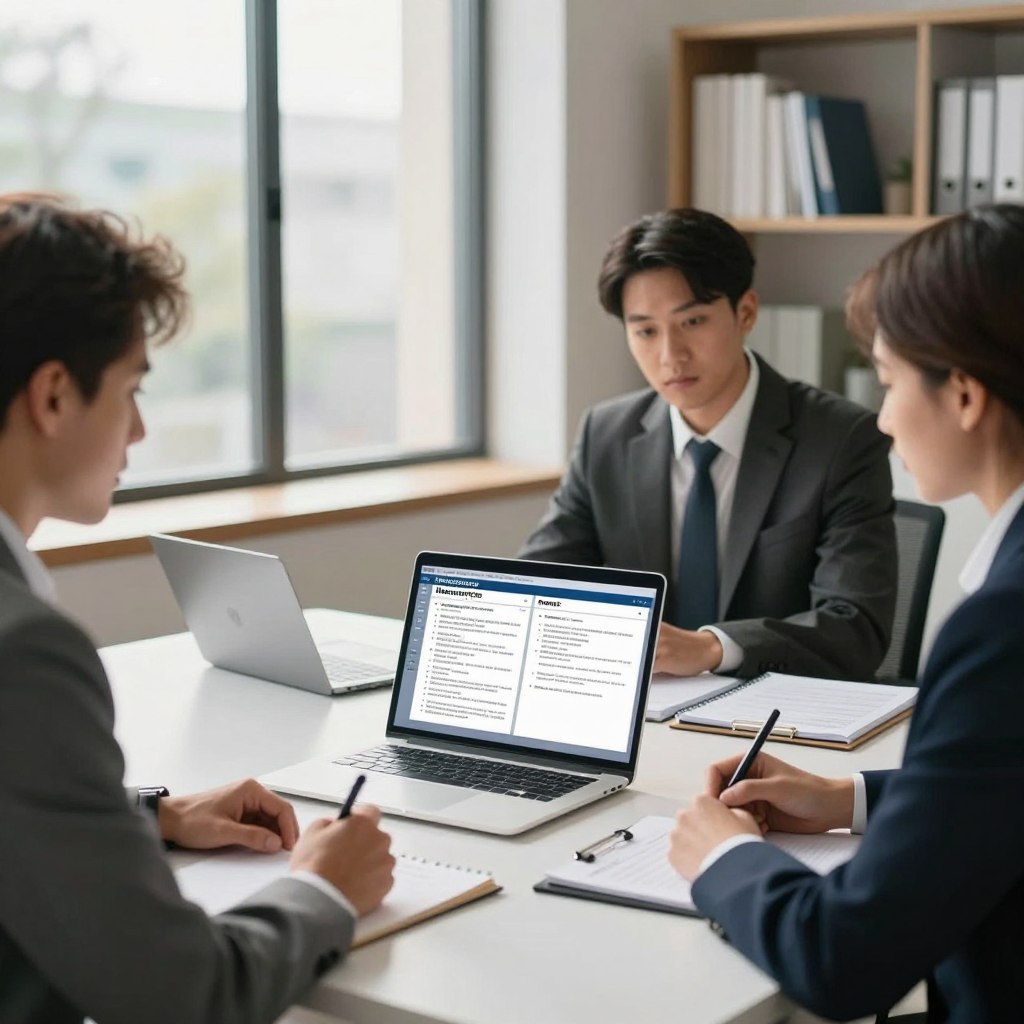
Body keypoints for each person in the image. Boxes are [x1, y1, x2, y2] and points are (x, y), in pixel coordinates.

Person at [0, 193, 395, 1024]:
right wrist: (323, 888)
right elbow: (181, 994)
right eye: (131, 390)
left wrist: (149, 818)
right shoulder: (24, 651)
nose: (138, 431)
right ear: (53, 395)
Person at [668, 205, 1024, 1022]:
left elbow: (842, 959)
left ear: (965, 394)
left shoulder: (1001, 628)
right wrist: (848, 798)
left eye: (892, 381)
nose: (886, 415)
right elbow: (1001, 777)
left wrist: (723, 860)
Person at [519, 208, 896, 681]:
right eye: (645, 331)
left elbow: (855, 627)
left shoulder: (840, 439)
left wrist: (713, 648)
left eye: (692, 321)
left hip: (776, 716)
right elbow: (538, 581)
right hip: (648, 713)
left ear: (746, 312)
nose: (670, 355)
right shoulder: (607, 434)